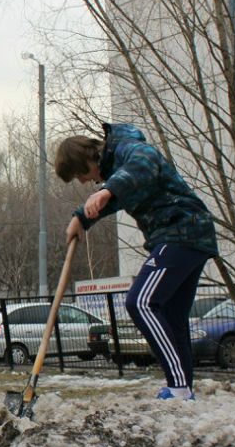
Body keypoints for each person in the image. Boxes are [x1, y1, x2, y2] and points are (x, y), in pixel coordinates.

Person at [55, 123, 218, 401]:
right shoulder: (118, 172)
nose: (85, 183)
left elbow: (146, 162)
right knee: (172, 316)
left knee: (140, 302)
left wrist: (107, 189)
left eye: (81, 175)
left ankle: (178, 389)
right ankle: (183, 389)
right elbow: (115, 199)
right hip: (191, 235)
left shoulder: (128, 148)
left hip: (181, 231)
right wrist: (80, 218)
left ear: (87, 158)